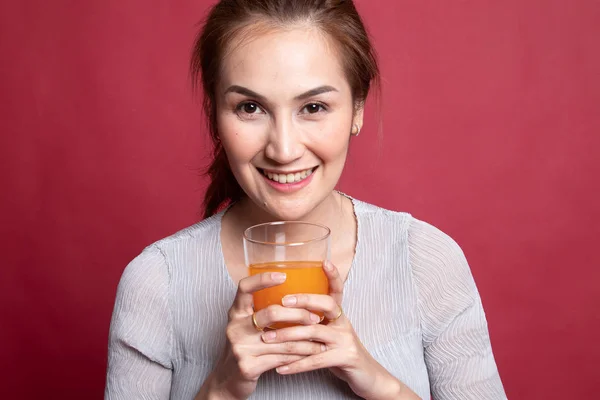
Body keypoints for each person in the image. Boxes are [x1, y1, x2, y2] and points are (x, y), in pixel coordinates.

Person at [105, 1, 507, 399]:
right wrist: (220, 390)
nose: (283, 149)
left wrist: (379, 382)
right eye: (250, 107)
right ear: (215, 114)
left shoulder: (425, 261)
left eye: (313, 107)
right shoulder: (158, 282)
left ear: (357, 108)